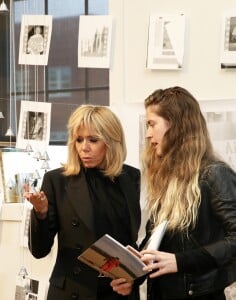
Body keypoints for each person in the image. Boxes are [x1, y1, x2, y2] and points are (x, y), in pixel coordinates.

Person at [24, 104, 141, 300]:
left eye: (93, 140)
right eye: (79, 140)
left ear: (112, 141)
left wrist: (134, 279)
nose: (84, 147)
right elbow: (39, 251)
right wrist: (41, 214)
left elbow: (131, 241)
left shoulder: (130, 177)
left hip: (117, 291)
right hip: (74, 291)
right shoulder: (57, 180)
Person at [139, 86, 236, 300]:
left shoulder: (215, 174)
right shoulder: (167, 177)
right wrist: (132, 272)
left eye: (152, 124)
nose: (148, 134)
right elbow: (159, 241)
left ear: (175, 125)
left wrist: (180, 261)